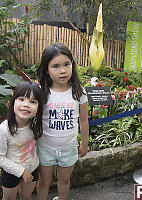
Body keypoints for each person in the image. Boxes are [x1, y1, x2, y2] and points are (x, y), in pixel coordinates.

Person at [37, 43, 89, 200]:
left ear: (72, 64)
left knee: (65, 180)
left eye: (67, 64)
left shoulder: (78, 91)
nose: (62, 70)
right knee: (44, 181)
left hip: (69, 148)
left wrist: (85, 143)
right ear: (46, 69)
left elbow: (84, 120)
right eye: (55, 66)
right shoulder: (41, 91)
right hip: (45, 147)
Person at [0, 81, 43, 200]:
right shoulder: (4, 129)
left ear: (38, 107)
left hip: (33, 168)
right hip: (11, 172)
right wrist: (22, 171)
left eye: (33, 101)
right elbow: (0, 157)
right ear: (12, 102)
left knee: (26, 196)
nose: (26, 104)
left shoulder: (35, 124)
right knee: (9, 198)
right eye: (21, 99)